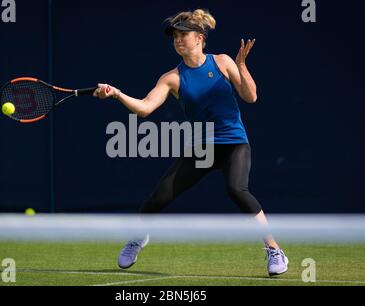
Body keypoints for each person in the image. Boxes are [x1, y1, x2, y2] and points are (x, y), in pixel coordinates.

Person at [94, 9, 288, 276]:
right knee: (158, 198)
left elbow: (250, 96)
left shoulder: (222, 62)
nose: (178, 40)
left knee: (237, 189)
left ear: (199, 38)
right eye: (175, 36)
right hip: (202, 148)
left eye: (183, 35)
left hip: (233, 142)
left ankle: (274, 250)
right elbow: (144, 108)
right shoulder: (172, 77)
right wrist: (117, 94)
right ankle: (138, 238)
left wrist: (241, 66)